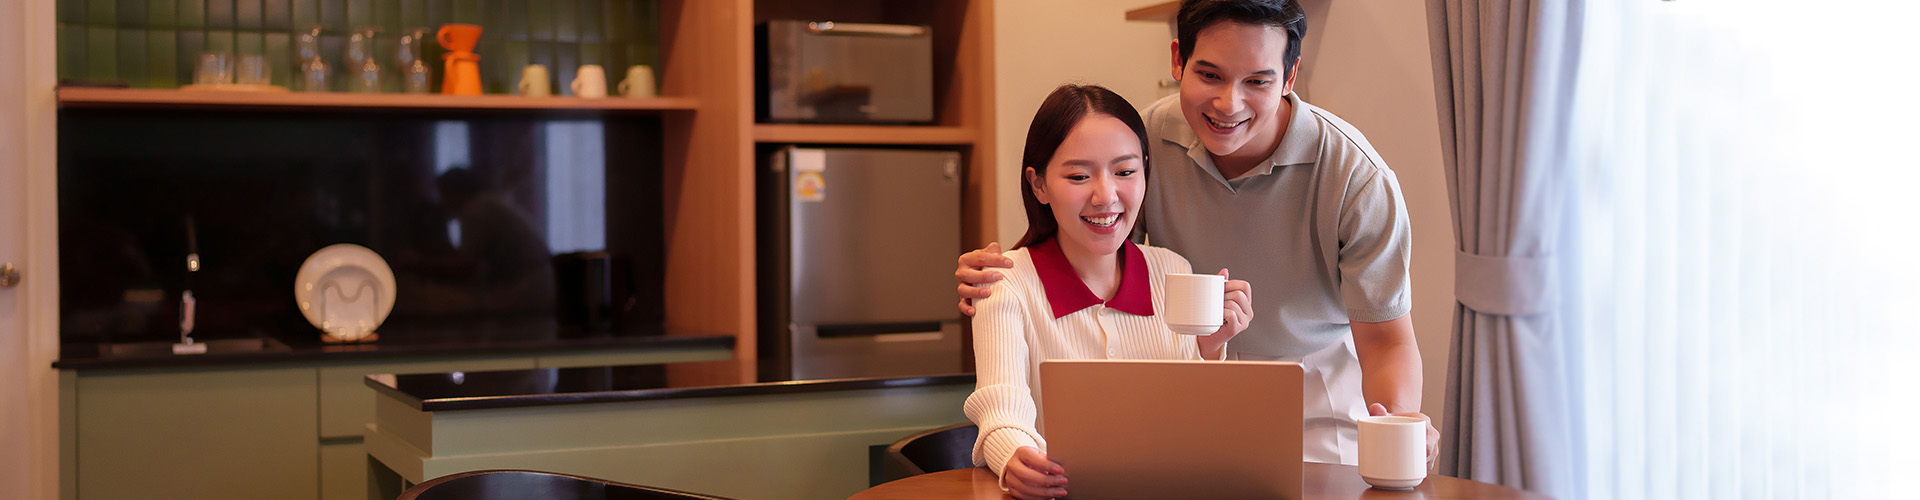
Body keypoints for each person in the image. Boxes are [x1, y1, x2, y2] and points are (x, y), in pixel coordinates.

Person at [956, 0, 1439, 467]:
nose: (1228, 103)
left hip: (1310, 385)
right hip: (1190, 379)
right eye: (1209, 75)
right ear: (1177, 60)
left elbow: (1386, 342)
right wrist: (1008, 275)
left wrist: (1398, 423)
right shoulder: (1146, 139)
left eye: (1257, 81)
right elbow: (1097, 241)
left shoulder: (1356, 176)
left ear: (1289, 78)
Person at [965, 84, 1253, 500]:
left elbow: (1192, 430)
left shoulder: (1174, 272)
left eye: (1124, 171)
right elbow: (1001, 409)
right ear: (1039, 185)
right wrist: (1015, 458)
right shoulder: (1005, 286)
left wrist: (1208, 349)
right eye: (1079, 176)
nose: (1106, 196)